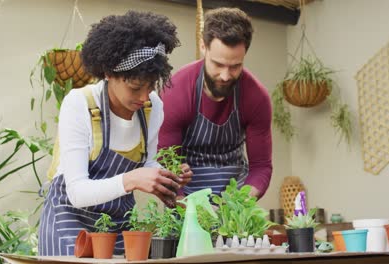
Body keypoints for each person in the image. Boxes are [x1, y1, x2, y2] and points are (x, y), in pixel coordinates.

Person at [38, 10, 192, 256]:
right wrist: (132, 180)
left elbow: (147, 161)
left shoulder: (153, 108)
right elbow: (76, 192)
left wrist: (165, 178)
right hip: (69, 225)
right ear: (108, 73)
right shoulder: (80, 104)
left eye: (151, 85)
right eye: (135, 87)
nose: (144, 96)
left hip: (118, 227)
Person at [158, 7, 272, 199]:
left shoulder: (256, 97)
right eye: (218, 64)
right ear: (203, 46)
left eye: (235, 66)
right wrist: (191, 209)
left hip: (235, 200)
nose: (226, 76)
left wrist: (240, 205)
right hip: (186, 199)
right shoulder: (175, 92)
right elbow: (165, 164)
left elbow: (261, 167)